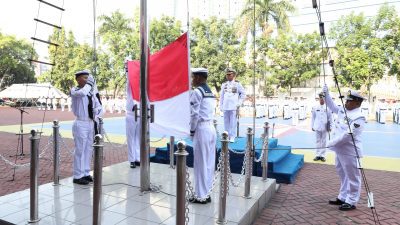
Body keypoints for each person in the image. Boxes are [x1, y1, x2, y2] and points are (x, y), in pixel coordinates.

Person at [323, 85, 366, 211]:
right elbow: (331, 106)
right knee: (343, 175)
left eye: (349, 101)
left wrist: (331, 142)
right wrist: (326, 93)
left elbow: (348, 135)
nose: (346, 102)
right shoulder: (343, 110)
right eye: (346, 100)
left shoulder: (359, 117)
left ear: (357, 103)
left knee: (353, 176)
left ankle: (352, 201)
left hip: (350, 152)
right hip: (339, 150)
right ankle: (342, 197)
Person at [70, 70, 103, 185]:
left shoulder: (90, 92)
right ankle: (77, 175)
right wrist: (90, 84)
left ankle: (85, 172)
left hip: (90, 122)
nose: (88, 80)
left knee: (88, 149)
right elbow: (82, 93)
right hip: (80, 123)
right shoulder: (75, 90)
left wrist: (97, 111)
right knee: (80, 150)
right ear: (78, 79)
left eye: (88, 78)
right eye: (85, 78)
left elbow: (98, 105)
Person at [189, 68, 216, 204]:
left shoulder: (197, 92)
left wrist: (192, 131)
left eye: (193, 77)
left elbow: (194, 114)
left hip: (202, 129)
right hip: (211, 128)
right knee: (209, 163)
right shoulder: (210, 91)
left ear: (199, 78)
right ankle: (207, 192)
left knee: (200, 163)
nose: (192, 79)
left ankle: (200, 196)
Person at [219, 68, 246, 142]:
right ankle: (226, 135)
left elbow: (243, 94)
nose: (228, 76)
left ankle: (232, 136)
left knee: (233, 122)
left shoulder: (237, 84)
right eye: (227, 75)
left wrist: (239, 103)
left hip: (234, 106)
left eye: (229, 74)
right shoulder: (224, 84)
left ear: (233, 75)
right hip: (225, 106)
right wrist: (220, 105)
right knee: (226, 122)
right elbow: (221, 96)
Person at [125, 68, 140, 168]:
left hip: (140, 114)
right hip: (131, 114)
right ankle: (132, 160)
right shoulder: (130, 87)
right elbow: (128, 79)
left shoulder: (142, 87)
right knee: (131, 138)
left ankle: (138, 158)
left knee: (138, 138)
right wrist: (128, 69)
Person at [311, 92, 332, 162]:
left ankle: (322, 155)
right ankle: (317, 155)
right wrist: (312, 126)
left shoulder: (328, 107)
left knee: (324, 141)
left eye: (322, 98)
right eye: (320, 98)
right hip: (317, 126)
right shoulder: (315, 107)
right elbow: (313, 117)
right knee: (317, 141)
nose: (321, 100)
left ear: (324, 99)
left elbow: (330, 118)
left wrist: (330, 127)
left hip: (325, 127)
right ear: (319, 99)